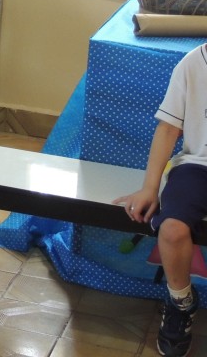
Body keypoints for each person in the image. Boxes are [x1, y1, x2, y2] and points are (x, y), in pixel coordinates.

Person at [115, 43, 207, 357]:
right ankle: (181, 303)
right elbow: (168, 128)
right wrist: (149, 188)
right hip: (197, 167)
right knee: (172, 230)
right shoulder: (193, 63)